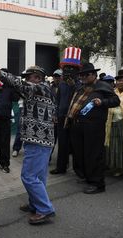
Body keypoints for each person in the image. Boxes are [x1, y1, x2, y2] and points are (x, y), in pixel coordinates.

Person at [0, 65, 56, 225]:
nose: (25, 80)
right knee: (38, 177)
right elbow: (19, 88)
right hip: (37, 140)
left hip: (39, 140)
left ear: (37, 77)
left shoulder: (42, 88)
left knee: (28, 176)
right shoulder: (40, 90)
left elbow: (18, 84)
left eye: (28, 77)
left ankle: (44, 209)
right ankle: (35, 203)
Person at [65, 63, 120, 194]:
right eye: (81, 75)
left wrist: (103, 102)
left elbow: (116, 101)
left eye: (85, 75)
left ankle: (97, 183)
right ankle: (86, 176)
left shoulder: (102, 86)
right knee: (80, 153)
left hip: (94, 126)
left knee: (93, 154)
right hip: (78, 124)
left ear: (93, 75)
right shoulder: (81, 87)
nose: (82, 77)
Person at [50, 47, 82, 175]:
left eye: (71, 68)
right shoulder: (61, 84)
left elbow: (80, 97)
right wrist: (55, 114)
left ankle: (78, 169)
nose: (68, 70)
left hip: (74, 117)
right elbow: (57, 101)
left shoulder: (80, 84)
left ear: (77, 70)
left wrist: (73, 84)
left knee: (75, 145)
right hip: (62, 117)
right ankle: (61, 167)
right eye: (66, 67)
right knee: (62, 144)